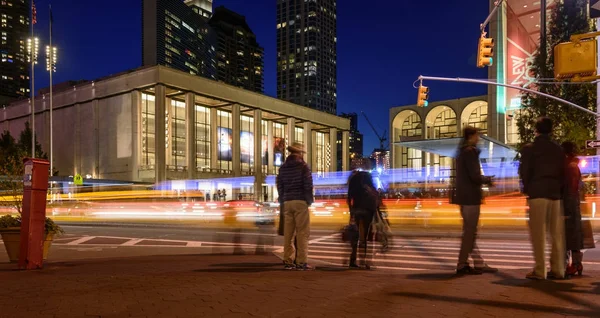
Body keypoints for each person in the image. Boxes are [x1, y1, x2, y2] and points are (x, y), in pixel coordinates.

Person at [519, 117, 566, 280]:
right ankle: (559, 269)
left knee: (538, 234)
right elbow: (563, 173)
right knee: (556, 235)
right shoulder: (558, 149)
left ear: (536, 130)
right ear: (551, 130)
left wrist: (527, 188)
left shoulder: (529, 149)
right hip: (555, 194)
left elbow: (524, 172)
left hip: (537, 194)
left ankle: (540, 270)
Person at [453, 126, 497, 275]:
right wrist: (488, 179)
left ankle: (478, 262)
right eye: (478, 135)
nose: (479, 138)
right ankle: (462, 264)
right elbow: (474, 176)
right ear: (471, 136)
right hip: (470, 198)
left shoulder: (462, 153)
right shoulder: (469, 152)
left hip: (465, 197)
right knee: (470, 233)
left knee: (470, 232)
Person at [276, 142, 314, 270]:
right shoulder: (303, 166)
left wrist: (283, 199)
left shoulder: (283, 168)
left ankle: (288, 261)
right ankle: (301, 262)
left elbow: (279, 186)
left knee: (288, 233)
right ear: (299, 154)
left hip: (287, 202)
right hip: (300, 201)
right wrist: (309, 201)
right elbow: (308, 185)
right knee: (302, 232)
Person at [347, 165, 379, 269]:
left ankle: (353, 260)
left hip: (357, 209)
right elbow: (375, 196)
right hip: (368, 210)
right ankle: (365, 262)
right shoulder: (368, 180)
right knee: (366, 236)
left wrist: (351, 212)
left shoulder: (353, 181)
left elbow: (349, 198)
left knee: (355, 235)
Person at [562, 142, 584, 276]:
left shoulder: (570, 167)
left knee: (569, 237)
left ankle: (573, 265)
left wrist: (567, 209)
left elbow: (571, 188)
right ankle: (576, 264)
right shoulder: (573, 166)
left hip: (570, 206)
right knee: (573, 236)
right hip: (573, 205)